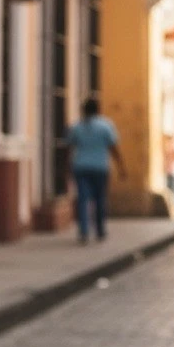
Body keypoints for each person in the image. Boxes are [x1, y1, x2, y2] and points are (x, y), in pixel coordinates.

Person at [66, 98, 126, 244]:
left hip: (81, 167)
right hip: (100, 167)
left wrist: (66, 167)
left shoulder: (77, 127)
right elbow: (113, 148)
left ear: (84, 110)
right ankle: (99, 230)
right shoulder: (105, 126)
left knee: (82, 199)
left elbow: (70, 147)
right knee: (100, 199)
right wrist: (121, 167)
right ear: (98, 109)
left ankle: (84, 231)